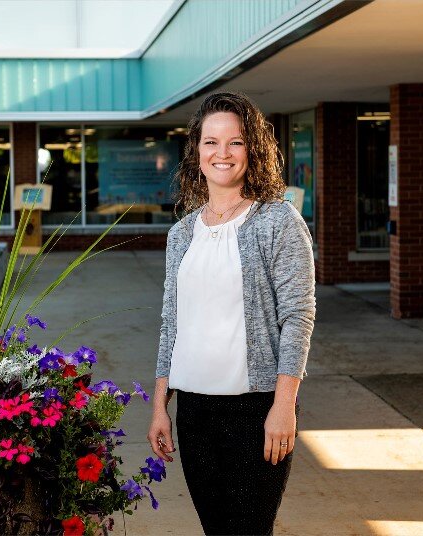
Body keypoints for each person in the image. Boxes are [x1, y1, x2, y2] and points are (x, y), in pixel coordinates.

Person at [148, 92, 316, 536]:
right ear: (197, 153)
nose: (222, 153)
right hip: (195, 411)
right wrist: (159, 406)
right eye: (211, 142)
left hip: (256, 410)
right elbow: (171, 323)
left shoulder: (277, 222)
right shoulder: (181, 233)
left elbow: (298, 316)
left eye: (236, 142)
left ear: (252, 150)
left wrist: (284, 405)